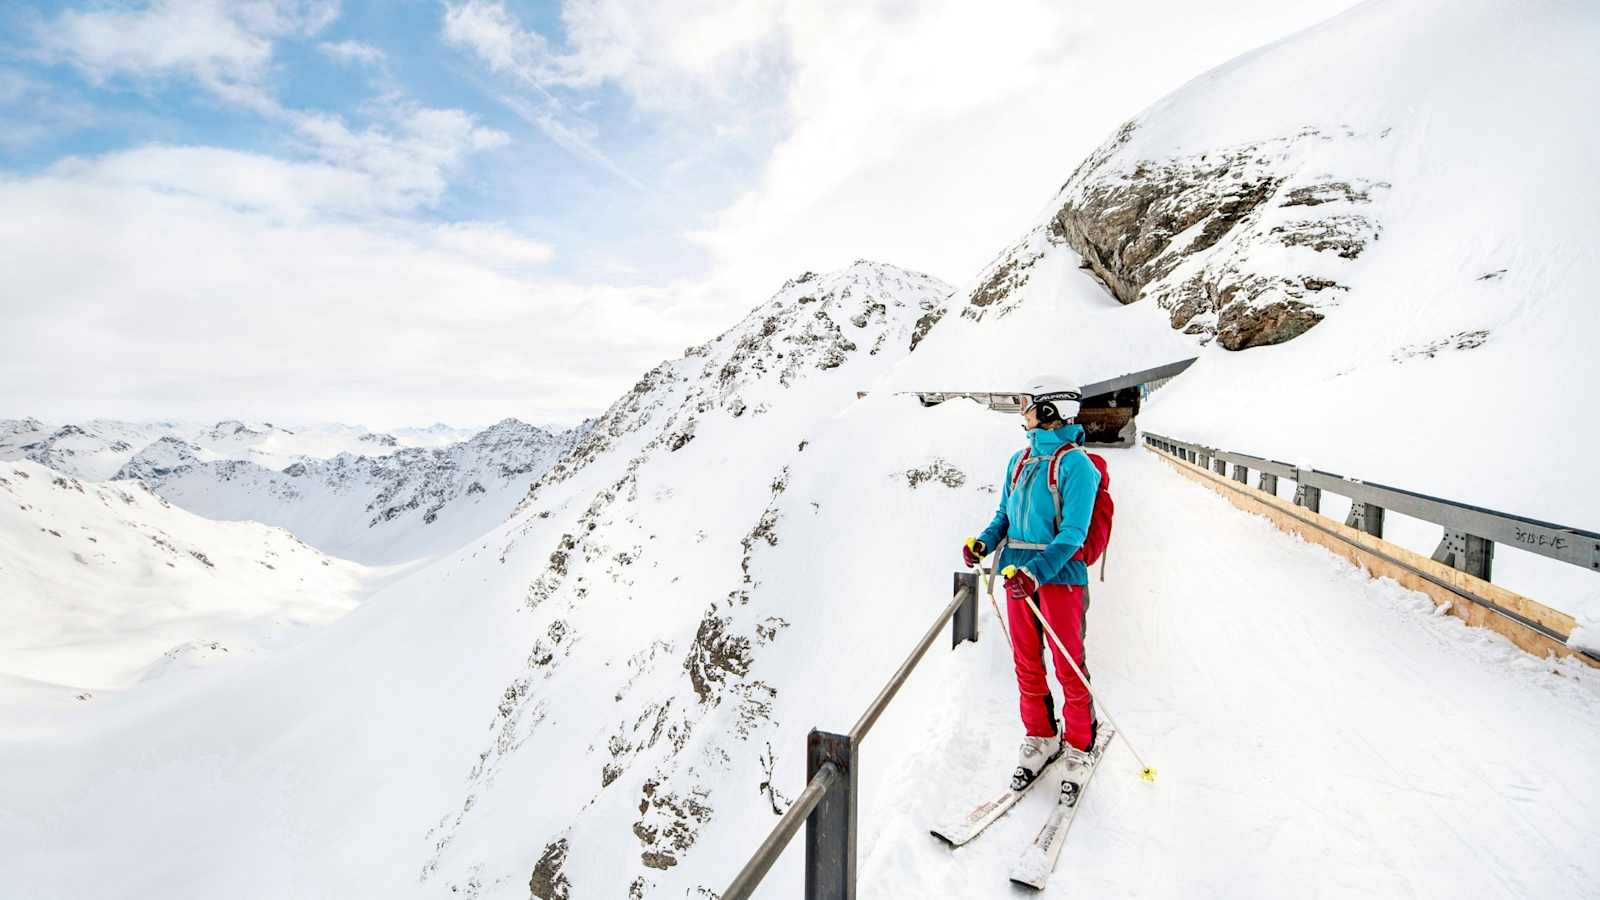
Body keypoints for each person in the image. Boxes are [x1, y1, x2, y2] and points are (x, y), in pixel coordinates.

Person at [962, 374, 1101, 792]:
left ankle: (1080, 743)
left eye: (1027, 403)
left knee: (1067, 665)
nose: (1022, 410)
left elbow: (1074, 533)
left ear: (1049, 410)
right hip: (1016, 576)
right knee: (1026, 661)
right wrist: (984, 543)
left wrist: (1035, 572)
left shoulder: (1077, 465)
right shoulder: (1019, 461)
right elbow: (1004, 515)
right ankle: (1041, 736)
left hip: (1058, 578)